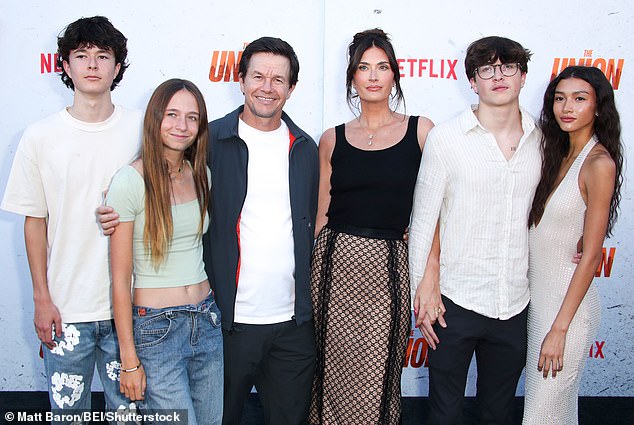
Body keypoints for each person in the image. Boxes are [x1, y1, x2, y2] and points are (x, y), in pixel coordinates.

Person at [97, 36, 319, 425]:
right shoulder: (209, 142)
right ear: (241, 79)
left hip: (290, 326)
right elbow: (152, 179)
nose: (267, 87)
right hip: (226, 322)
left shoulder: (305, 148)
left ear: (292, 88)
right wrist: (113, 208)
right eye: (258, 76)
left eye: (278, 80)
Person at [1, 16, 140, 416]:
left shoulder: (140, 128)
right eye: (81, 55)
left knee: (129, 417)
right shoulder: (39, 136)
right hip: (65, 312)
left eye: (102, 55)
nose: (92, 64)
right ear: (64, 65)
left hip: (128, 312)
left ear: (117, 67)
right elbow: (34, 222)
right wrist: (41, 299)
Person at [408, 36, 541, 424]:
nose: (498, 76)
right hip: (454, 301)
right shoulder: (446, 139)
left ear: (523, 76)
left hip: (514, 301)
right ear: (472, 81)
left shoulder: (543, 141)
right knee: (444, 411)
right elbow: (423, 221)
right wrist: (424, 291)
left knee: (498, 412)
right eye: (487, 68)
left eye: (508, 67)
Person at [310, 28, 433, 425]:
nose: (374, 76)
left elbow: (437, 211)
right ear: (352, 78)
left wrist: (430, 272)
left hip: (390, 267)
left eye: (383, 67)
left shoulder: (421, 131)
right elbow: (322, 214)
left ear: (395, 75)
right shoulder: (332, 139)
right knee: (330, 372)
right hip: (334, 268)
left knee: (379, 374)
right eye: (364, 68)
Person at [105, 79, 223, 424]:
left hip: (207, 319)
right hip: (157, 330)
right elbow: (119, 280)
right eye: (172, 114)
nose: (181, 125)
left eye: (192, 117)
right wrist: (129, 361)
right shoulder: (130, 180)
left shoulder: (202, 174)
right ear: (155, 118)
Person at [523, 66, 623, 424]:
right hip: (540, 304)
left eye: (580, 99)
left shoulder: (598, 163)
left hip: (568, 312)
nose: (567, 107)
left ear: (598, 107)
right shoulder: (554, 153)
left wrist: (559, 329)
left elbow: (592, 255)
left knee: (541, 414)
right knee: (555, 413)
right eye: (560, 98)